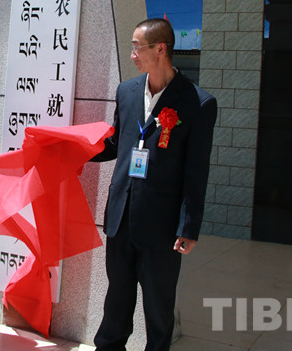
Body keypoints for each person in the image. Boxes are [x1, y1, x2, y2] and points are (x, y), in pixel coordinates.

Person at [91, 18, 217, 351]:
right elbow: (116, 143)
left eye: (137, 47)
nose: (132, 54)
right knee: (116, 301)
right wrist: (75, 151)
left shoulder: (198, 103)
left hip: (162, 225)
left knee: (159, 307)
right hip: (121, 217)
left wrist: (188, 227)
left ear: (160, 49)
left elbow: (196, 170)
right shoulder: (127, 91)